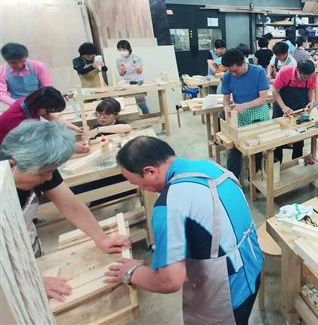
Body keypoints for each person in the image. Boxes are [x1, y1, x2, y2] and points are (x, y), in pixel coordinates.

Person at [104, 136, 263, 325]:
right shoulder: (212, 168)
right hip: (253, 269)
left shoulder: (169, 206)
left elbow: (170, 280)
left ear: (150, 171)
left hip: (227, 294)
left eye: (137, 183)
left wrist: (133, 272)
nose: (142, 189)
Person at [1, 120, 130, 300]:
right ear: (13, 164)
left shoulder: (40, 166)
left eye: (52, 171)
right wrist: (31, 282)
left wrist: (101, 238)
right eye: (42, 173)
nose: (49, 178)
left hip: (23, 241)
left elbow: (71, 206)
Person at [220, 49, 270, 178]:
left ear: (243, 63)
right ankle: (233, 180)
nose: (233, 74)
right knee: (234, 148)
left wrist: (243, 106)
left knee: (256, 148)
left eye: (235, 71)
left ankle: (254, 177)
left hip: (258, 113)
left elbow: (263, 99)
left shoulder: (258, 72)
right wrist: (226, 108)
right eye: (230, 71)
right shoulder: (227, 76)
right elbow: (226, 98)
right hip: (239, 114)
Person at [0, 86, 87, 152]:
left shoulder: (30, 104)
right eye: (49, 109)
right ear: (41, 104)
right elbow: (35, 145)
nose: (49, 112)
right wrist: (71, 147)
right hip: (5, 150)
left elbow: (51, 116)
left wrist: (76, 128)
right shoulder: (16, 118)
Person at [272, 60, 317, 164]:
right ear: (297, 70)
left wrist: (311, 101)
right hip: (282, 108)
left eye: (308, 77)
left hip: (300, 108)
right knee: (279, 138)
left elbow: (311, 90)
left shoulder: (311, 75)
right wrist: (283, 107)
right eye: (303, 77)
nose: (306, 80)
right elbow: (275, 91)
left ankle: (297, 163)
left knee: (299, 137)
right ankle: (277, 165)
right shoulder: (285, 72)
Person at [115, 39, 149, 114]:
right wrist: (122, 70)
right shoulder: (118, 60)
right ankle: (135, 118)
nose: (122, 51)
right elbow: (121, 74)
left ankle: (147, 116)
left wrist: (137, 68)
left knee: (141, 103)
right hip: (127, 83)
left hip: (137, 82)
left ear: (128, 48)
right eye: (120, 50)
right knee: (129, 104)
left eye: (124, 49)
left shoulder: (136, 57)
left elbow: (140, 71)